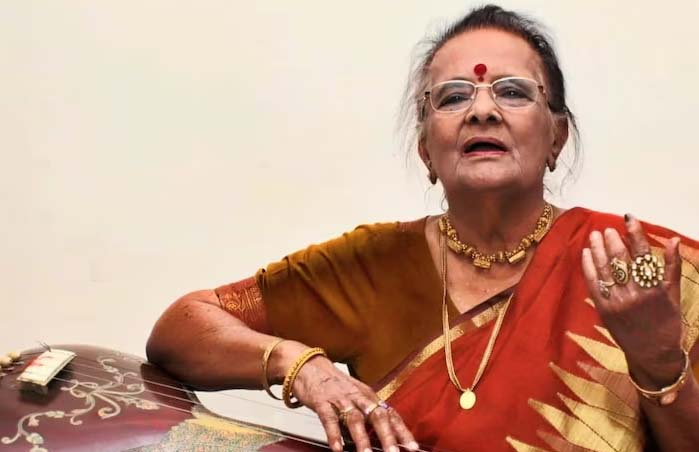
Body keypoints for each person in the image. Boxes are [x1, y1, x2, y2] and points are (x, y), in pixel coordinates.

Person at [146, 5, 699, 451]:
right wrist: (303, 367)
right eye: (453, 97)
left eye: (512, 91)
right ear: (425, 150)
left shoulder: (640, 265)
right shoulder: (373, 265)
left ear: (556, 138)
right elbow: (182, 328)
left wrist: (659, 363)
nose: (482, 111)